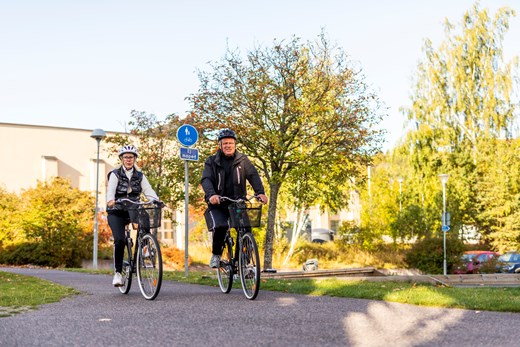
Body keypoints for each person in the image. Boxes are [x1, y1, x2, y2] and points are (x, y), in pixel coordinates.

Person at [201, 129, 268, 268]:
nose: (228, 145)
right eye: (225, 143)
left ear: (235, 144)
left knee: (246, 229)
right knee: (221, 226)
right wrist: (211, 194)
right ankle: (216, 254)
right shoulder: (212, 161)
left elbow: (253, 176)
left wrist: (260, 192)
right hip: (218, 203)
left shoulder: (243, 160)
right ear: (220, 145)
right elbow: (206, 179)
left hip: (237, 203)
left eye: (231, 143)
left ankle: (242, 262)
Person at [106, 145, 160, 286]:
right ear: (122, 159)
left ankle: (145, 247)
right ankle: (117, 273)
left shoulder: (140, 175)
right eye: (126, 157)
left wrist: (155, 199)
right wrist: (110, 200)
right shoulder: (115, 174)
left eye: (131, 157)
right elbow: (110, 190)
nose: (128, 160)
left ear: (135, 159)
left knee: (145, 217)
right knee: (120, 240)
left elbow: (148, 190)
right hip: (116, 210)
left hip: (132, 207)